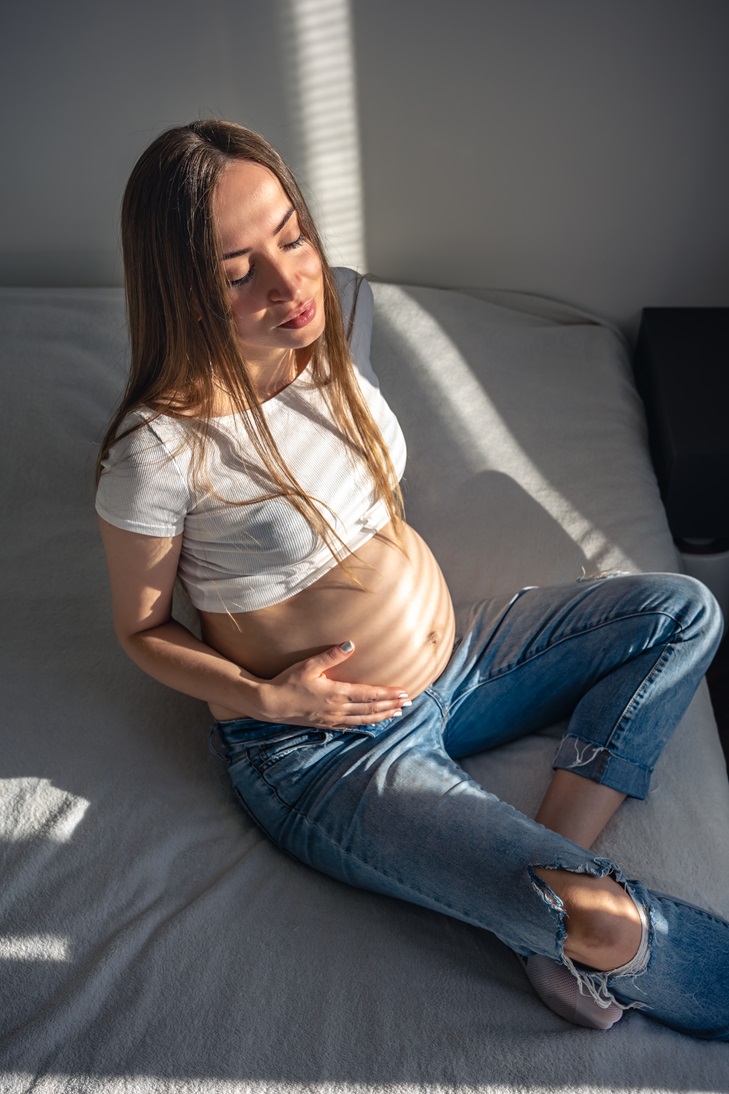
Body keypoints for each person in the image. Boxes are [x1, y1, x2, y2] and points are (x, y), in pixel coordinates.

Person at [96, 119, 729, 1040]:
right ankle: (565, 924)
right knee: (594, 920)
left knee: (679, 611)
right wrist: (263, 698)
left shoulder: (339, 319)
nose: (288, 284)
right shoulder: (159, 449)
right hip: (330, 747)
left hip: (462, 663)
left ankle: (554, 856)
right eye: (239, 274)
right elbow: (141, 629)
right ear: (182, 291)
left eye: (292, 237)